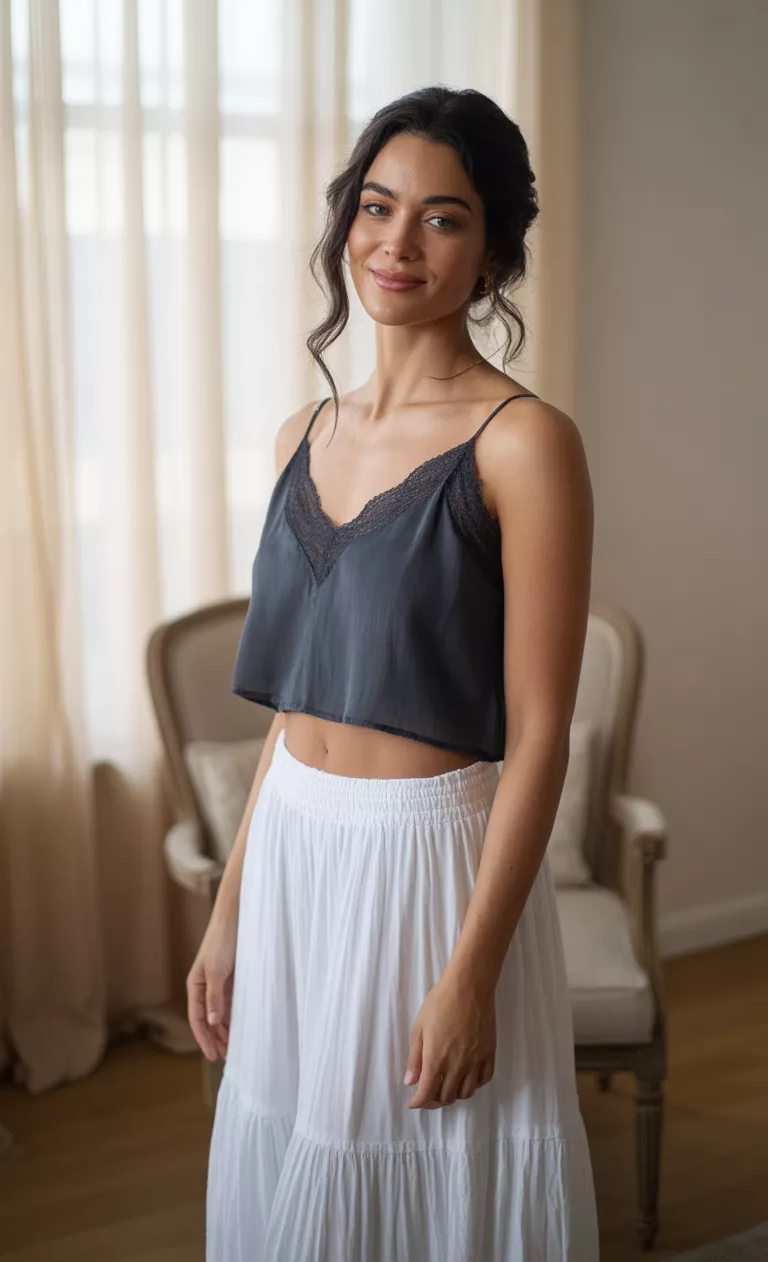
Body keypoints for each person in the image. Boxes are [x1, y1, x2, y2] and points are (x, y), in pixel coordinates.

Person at [192, 85, 600, 1259]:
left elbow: (541, 733)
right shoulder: (300, 437)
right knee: (292, 1174)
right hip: (295, 861)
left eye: (443, 217)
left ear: (493, 253)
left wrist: (470, 973)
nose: (397, 243)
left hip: (426, 867)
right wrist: (229, 910)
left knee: (422, 1191)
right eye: (377, 208)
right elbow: (297, 707)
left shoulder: (524, 443)